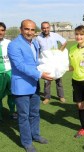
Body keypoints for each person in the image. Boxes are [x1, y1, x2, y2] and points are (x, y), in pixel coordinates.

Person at [8, 19, 53, 152]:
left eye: (32, 30)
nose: (30, 32)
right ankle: (27, 143)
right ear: (21, 30)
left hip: (34, 85)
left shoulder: (34, 43)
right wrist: (40, 75)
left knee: (35, 113)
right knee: (23, 116)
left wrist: (53, 66)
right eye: (27, 29)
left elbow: (36, 61)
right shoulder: (14, 45)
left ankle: (35, 135)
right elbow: (20, 66)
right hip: (21, 87)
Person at [36, 21, 67, 104]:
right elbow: (37, 50)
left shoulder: (55, 35)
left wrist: (59, 52)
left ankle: (61, 96)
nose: (45, 29)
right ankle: (47, 97)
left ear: (49, 28)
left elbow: (64, 42)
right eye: (43, 28)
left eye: (47, 27)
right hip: (46, 62)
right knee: (47, 80)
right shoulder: (38, 38)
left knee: (58, 79)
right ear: (41, 28)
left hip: (55, 61)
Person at [0, 22, 17, 122]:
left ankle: (12, 112)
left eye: (2, 30)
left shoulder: (9, 43)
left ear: (5, 31)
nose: (0, 32)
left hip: (10, 73)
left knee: (12, 94)